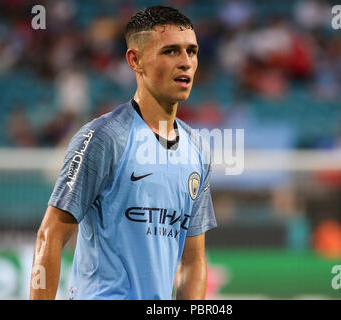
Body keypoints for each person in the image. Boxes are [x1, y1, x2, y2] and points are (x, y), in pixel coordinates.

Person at [30, 6, 217, 300]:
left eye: (191, 51)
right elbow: (50, 236)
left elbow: (192, 259)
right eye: (170, 52)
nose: (186, 62)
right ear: (135, 60)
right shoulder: (103, 138)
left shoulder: (197, 149)